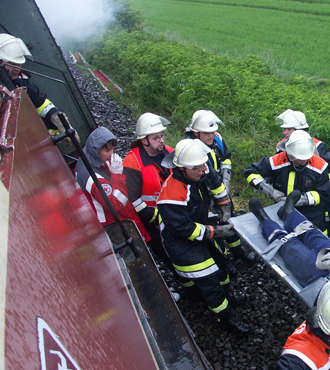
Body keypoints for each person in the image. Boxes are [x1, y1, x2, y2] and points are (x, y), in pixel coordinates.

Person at [157, 138, 250, 335]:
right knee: (208, 279)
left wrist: (224, 206)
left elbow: (216, 185)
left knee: (221, 262)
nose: (202, 171)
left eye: (203, 166)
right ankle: (224, 315)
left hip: (202, 227)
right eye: (197, 169)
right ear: (182, 169)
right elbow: (184, 229)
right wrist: (217, 232)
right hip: (181, 243)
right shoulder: (172, 194)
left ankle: (226, 294)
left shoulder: (199, 170)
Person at [185, 109, 256, 264]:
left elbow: (226, 159)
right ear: (196, 133)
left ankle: (238, 251)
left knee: (229, 218)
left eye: (213, 131)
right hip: (204, 194)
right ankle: (223, 261)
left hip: (220, 187)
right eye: (206, 133)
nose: (211, 136)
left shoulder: (216, 139)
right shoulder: (191, 149)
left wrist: (225, 183)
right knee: (213, 226)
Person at [244, 130, 330, 233]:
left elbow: (323, 194)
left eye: (306, 157)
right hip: (281, 215)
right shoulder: (278, 160)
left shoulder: (320, 165)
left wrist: (299, 200)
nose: (303, 161)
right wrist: (269, 190)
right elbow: (251, 172)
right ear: (290, 153)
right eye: (299, 158)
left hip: (311, 217)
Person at [75, 126, 150, 243]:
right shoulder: (92, 177)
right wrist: (118, 176)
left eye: (112, 150)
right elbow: (116, 204)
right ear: (96, 150)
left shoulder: (88, 158)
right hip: (115, 226)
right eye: (107, 150)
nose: (111, 154)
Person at [123, 112, 175, 268]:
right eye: (156, 138)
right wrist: (158, 218)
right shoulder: (132, 162)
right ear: (144, 140)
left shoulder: (169, 152)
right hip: (152, 221)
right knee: (169, 256)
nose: (161, 140)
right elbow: (134, 200)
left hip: (174, 213)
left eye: (162, 135)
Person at [0, 33, 70, 136]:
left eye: (19, 64)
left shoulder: (23, 81)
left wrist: (57, 117)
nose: (17, 69)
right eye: (12, 64)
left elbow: (41, 103)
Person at [275, 109, 330, 186]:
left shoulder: (317, 145)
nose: (285, 132)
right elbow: (276, 167)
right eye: (284, 129)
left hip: (309, 190)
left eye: (289, 129)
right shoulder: (281, 146)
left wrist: (325, 186)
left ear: (300, 130)